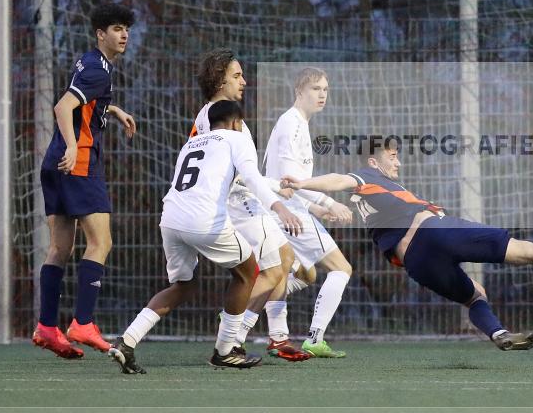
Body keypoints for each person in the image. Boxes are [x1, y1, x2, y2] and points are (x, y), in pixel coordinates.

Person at [282, 141, 533, 350]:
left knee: (475, 294)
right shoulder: (369, 178)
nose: (397, 162)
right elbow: (340, 180)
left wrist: (309, 194)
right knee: (526, 251)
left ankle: (498, 333)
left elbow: (341, 189)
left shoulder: (371, 200)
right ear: (374, 162)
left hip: (417, 262)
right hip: (435, 232)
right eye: (392, 156)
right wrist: (302, 183)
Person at [109, 100, 290, 373]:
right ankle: (225, 351)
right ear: (236, 123)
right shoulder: (236, 139)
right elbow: (251, 178)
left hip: (170, 220)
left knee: (183, 286)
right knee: (248, 272)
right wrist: (279, 206)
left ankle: (127, 341)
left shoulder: (192, 143)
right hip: (204, 222)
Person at [189, 49, 310, 362]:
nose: (244, 81)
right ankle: (233, 336)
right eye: (236, 75)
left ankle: (275, 336)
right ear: (219, 80)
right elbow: (241, 174)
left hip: (236, 201)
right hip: (239, 203)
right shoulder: (225, 119)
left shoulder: (210, 113)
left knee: (283, 266)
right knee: (278, 264)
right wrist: (273, 192)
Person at [33, 3, 137, 359]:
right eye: (116, 28)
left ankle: (47, 327)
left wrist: (113, 109)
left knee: (59, 248)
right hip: (77, 163)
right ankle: (82, 322)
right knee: (101, 242)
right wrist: (76, 145)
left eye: (126, 28)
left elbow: (85, 104)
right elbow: (63, 107)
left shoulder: (91, 63)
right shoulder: (99, 70)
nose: (123, 35)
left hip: (54, 162)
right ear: (100, 34)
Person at [262, 67, 354, 359]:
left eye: (325, 89)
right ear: (299, 91)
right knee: (342, 268)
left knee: (307, 273)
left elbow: (291, 181)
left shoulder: (297, 123)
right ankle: (314, 338)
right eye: (316, 88)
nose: (322, 94)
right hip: (286, 212)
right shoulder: (292, 124)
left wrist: (314, 206)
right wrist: (329, 203)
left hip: (289, 208)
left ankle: (243, 306)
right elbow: (290, 179)